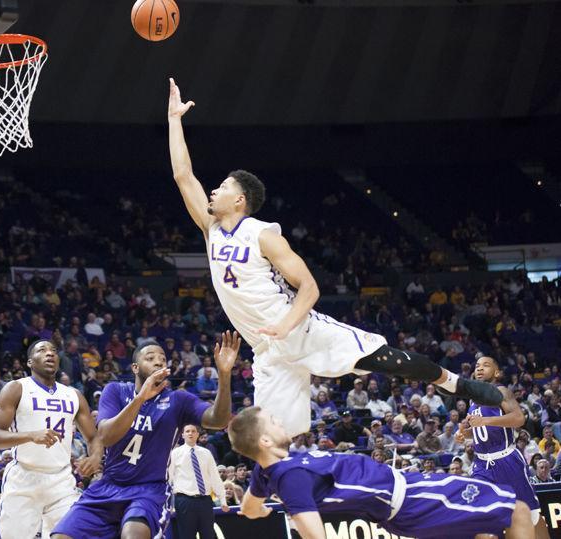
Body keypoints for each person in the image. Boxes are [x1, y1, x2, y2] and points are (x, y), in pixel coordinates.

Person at [167, 78, 503, 436]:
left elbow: (309, 287)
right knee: (267, 439)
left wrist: (285, 324)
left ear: (240, 201)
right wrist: (174, 120)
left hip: (301, 328)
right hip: (267, 351)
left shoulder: (263, 234)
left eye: (223, 187)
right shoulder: (211, 229)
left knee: (382, 359)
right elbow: (182, 174)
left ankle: (454, 383)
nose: (213, 190)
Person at [228, 406, 534, 539]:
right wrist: (293, 508)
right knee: (516, 509)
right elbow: (314, 534)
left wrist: (265, 511)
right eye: (272, 421)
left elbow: (249, 509)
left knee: (484, 532)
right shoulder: (290, 478)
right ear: (265, 441)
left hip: (407, 495)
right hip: (413, 499)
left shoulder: (266, 471)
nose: (279, 421)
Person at [51, 331, 239, 539]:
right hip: (109, 485)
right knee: (60, 536)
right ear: (135, 368)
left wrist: (224, 374)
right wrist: (141, 398)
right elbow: (105, 436)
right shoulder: (115, 391)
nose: (158, 362)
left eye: (162, 359)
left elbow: (219, 420)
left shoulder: (178, 400)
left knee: (133, 534)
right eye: (150, 358)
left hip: (149, 490)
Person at [0, 340, 103, 539]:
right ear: (30, 362)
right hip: (24, 477)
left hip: (62, 480)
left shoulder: (73, 395)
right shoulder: (16, 388)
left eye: (54, 351)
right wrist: (30, 435)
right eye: (42, 350)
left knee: (69, 535)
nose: (50, 354)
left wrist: (95, 457)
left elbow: (94, 437)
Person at [456, 356, 550, 539]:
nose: (480, 368)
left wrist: (485, 420)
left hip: (506, 460)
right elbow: (480, 430)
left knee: (530, 514)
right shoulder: (472, 400)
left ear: (497, 373)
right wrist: (464, 434)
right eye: (477, 366)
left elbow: (519, 419)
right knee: (480, 513)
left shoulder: (501, 392)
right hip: (481, 464)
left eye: (486, 365)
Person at [168, 424, 228, 539]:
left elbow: (215, 477)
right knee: (186, 535)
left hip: (205, 500)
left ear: (197, 434)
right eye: (187, 431)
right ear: (183, 435)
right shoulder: (175, 453)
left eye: (193, 431)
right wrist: (169, 504)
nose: (190, 433)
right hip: (184, 500)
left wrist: (223, 499)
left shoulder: (206, 453)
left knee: (208, 535)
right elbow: (169, 479)